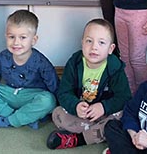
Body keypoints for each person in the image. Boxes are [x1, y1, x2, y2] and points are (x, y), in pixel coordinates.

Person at [47, 19, 131, 150]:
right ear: (82, 43)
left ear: (110, 49)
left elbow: (124, 97)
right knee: (57, 113)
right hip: (82, 114)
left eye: (101, 42)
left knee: (123, 115)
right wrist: (76, 105)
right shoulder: (74, 63)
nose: (94, 47)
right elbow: (64, 92)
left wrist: (103, 107)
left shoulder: (115, 67)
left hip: (105, 113)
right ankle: (98, 133)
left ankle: (78, 139)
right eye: (89, 41)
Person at [0, 10, 59, 129]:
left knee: (49, 100)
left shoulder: (41, 62)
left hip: (31, 97)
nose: (16, 42)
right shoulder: (2, 57)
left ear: (33, 40)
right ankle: (19, 116)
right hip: (9, 94)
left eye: (23, 38)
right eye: (11, 37)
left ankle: (8, 121)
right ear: (6, 36)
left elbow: (54, 86)